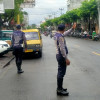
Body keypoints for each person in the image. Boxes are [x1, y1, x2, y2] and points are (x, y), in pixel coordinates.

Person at [54, 23, 76, 96]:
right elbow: (62, 49)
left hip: (58, 55)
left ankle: (60, 88)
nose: (65, 30)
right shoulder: (60, 37)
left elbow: (65, 33)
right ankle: (59, 90)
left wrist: (72, 29)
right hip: (61, 56)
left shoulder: (57, 34)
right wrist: (66, 58)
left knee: (60, 72)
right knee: (61, 73)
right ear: (63, 29)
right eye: (65, 29)